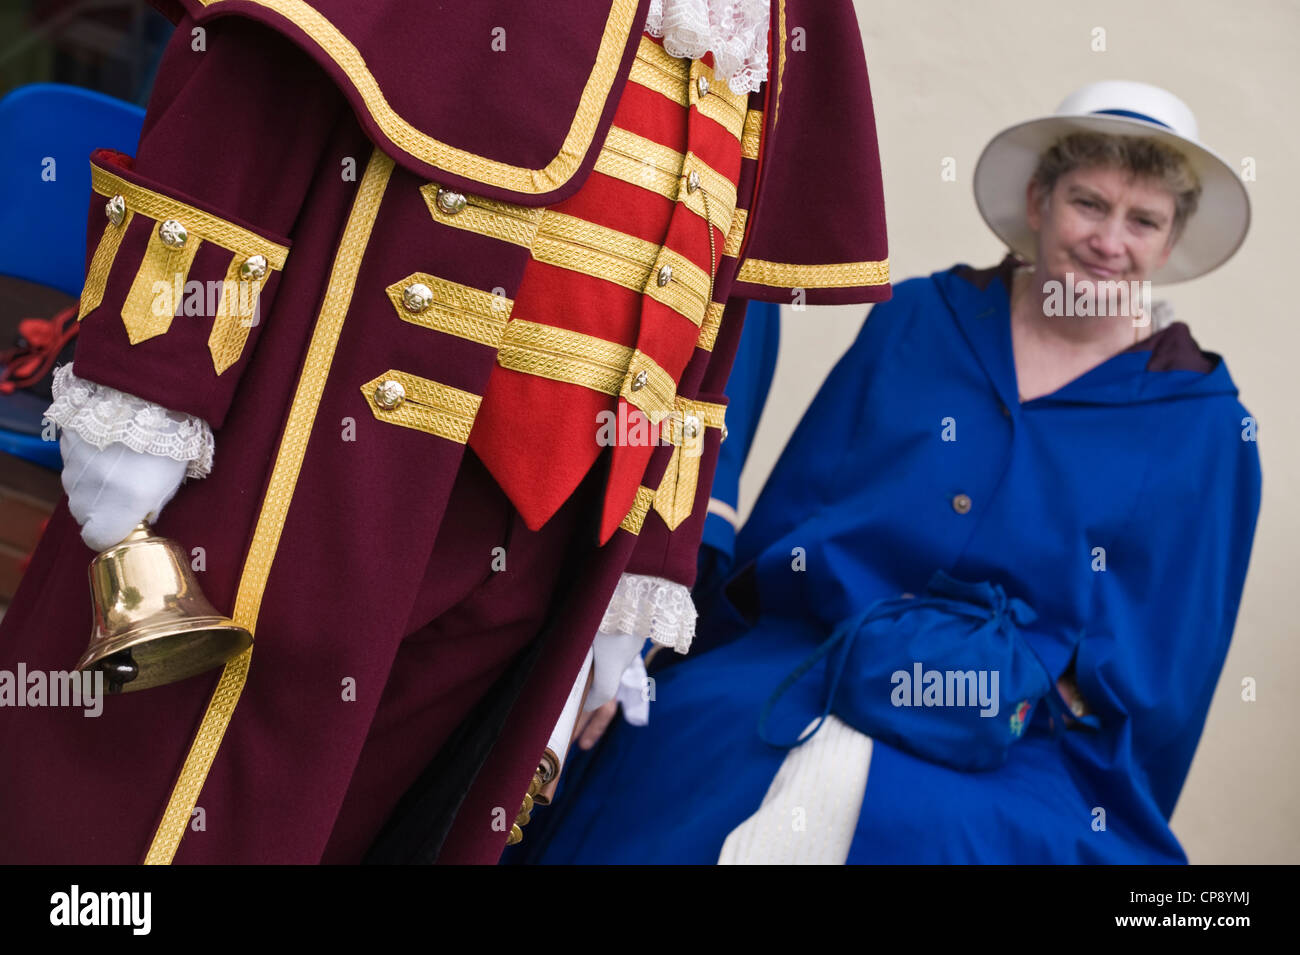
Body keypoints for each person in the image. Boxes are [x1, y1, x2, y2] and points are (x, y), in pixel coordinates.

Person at [0, 0, 891, 864]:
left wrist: (645, 568)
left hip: (551, 539)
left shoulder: (763, 19)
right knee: (158, 795)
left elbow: (711, 294)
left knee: (389, 817)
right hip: (329, 458)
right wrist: (153, 376)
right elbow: (266, 64)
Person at [522, 81, 1262, 865]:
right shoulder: (918, 318)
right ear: (1039, 201)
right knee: (672, 751)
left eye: (1142, 220)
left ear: (1171, 239)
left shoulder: (1204, 422)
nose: (1110, 241)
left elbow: (1165, 682)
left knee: (977, 838)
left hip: (1020, 733)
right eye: (1088, 203)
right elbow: (787, 528)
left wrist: (1028, 686)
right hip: (811, 659)